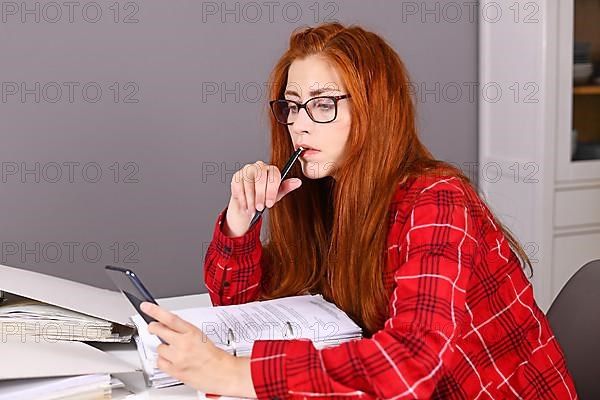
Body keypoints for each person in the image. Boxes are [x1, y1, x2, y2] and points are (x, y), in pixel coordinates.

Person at [140, 22, 577, 399]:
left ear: (374, 109)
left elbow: (411, 364)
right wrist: (241, 220)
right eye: (291, 106)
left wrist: (235, 373)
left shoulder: (438, 199)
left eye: (323, 103)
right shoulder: (327, 193)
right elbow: (240, 309)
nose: (298, 123)